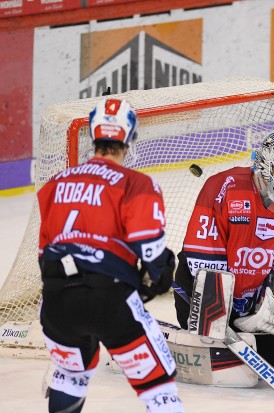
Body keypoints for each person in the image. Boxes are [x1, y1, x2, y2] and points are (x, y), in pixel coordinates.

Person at [37, 98, 184, 412]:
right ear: (129, 137)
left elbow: (44, 252)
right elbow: (151, 251)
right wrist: (159, 274)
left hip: (57, 302)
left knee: (70, 374)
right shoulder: (137, 184)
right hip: (109, 299)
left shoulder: (55, 184)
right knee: (158, 386)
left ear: (93, 134)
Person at [174, 131, 274, 371]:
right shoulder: (223, 188)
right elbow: (203, 258)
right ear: (264, 167)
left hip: (253, 300)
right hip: (202, 291)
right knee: (213, 338)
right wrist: (227, 316)